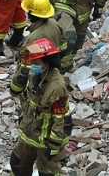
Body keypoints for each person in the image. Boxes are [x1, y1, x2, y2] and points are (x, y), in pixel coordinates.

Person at [9, 38, 71, 176]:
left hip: (46, 141)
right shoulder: (33, 73)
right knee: (17, 164)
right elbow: (16, 91)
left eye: (36, 62)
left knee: (48, 173)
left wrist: (54, 146)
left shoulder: (57, 87)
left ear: (47, 62)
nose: (33, 64)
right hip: (28, 132)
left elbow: (61, 119)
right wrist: (22, 69)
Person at [9, 0, 68, 94]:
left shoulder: (34, 38)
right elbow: (63, 46)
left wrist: (15, 90)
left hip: (36, 77)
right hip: (51, 69)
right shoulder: (54, 24)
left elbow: (25, 68)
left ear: (32, 14)